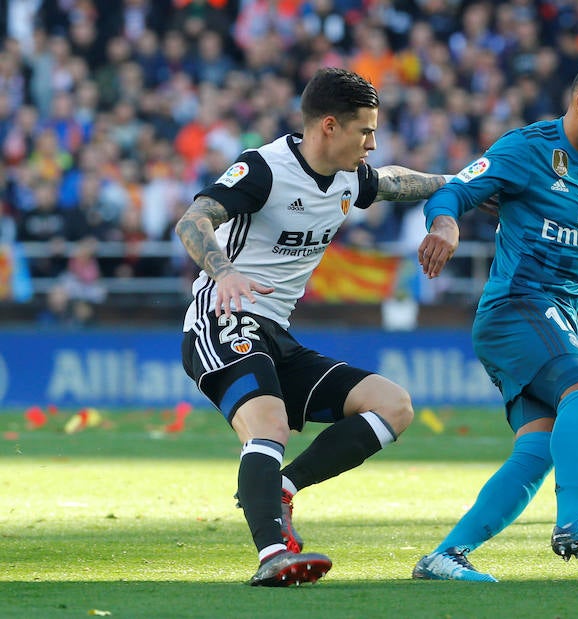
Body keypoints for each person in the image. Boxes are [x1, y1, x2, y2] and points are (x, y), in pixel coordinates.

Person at [176, 67, 451, 587]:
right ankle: (272, 553)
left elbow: (397, 181)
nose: (372, 142)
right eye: (365, 131)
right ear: (329, 125)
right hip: (222, 320)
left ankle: (283, 486)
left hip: (277, 335)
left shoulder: (351, 176)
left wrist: (464, 189)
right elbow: (193, 220)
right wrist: (225, 271)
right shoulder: (264, 169)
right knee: (269, 426)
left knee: (394, 405)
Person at [413, 50, 578, 582]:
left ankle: (445, 556)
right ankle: (575, 520)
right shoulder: (525, 149)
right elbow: (454, 190)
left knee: (537, 449)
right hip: (516, 309)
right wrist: (445, 225)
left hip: (554, 318)